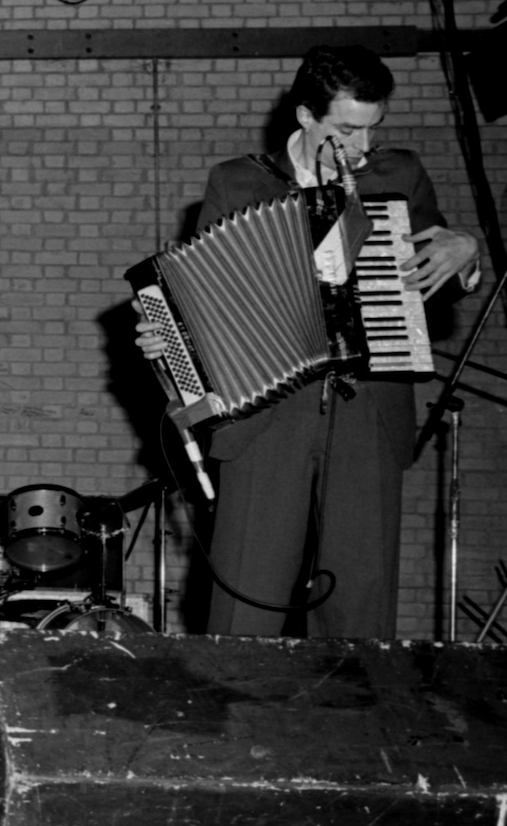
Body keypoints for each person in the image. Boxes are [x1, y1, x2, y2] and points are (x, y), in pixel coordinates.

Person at [136, 45, 479, 639]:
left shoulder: (399, 175)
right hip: (267, 414)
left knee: (360, 603)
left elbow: (436, 270)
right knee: (247, 600)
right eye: (347, 130)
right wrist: (167, 335)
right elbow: (201, 300)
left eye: (373, 129)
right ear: (305, 116)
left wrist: (466, 251)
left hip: (370, 405)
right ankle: (239, 723)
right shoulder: (237, 182)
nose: (363, 148)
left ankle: (350, 726)